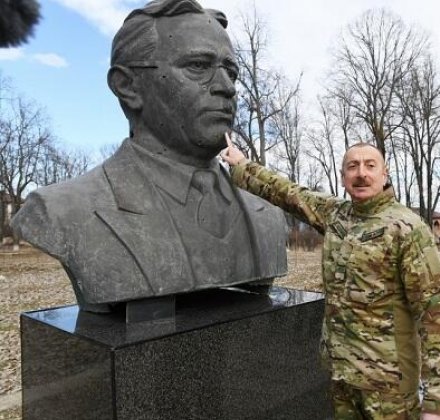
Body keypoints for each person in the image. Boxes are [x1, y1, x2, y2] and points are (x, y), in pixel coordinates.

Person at [10, 0, 287, 312]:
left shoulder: (268, 215)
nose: (227, 88)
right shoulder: (61, 210)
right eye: (197, 66)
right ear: (128, 86)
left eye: (231, 72)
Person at [220, 135, 440, 419]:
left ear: (385, 173)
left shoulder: (407, 228)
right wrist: (242, 164)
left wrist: (438, 401)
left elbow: (434, 315)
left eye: (370, 165)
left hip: (387, 385)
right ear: (343, 176)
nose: (361, 173)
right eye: (352, 166)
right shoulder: (335, 215)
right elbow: (288, 193)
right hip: (340, 374)